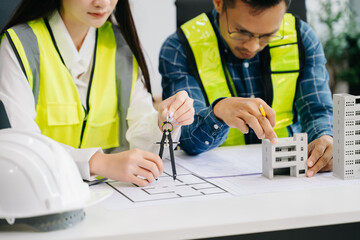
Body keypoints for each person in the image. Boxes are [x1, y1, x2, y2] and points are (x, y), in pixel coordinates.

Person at [0, 0, 195, 187]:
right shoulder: (18, 46)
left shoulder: (120, 45)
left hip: (111, 198)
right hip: (40, 197)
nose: (103, 2)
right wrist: (97, 162)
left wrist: (163, 123)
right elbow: (21, 148)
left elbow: (140, 130)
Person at [159, 0, 333, 177]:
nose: (252, 47)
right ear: (219, 3)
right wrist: (218, 113)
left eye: (268, 35)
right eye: (241, 32)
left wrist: (326, 139)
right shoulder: (179, 48)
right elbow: (186, 138)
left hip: (288, 175)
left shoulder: (303, 37)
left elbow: (318, 111)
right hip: (216, 178)